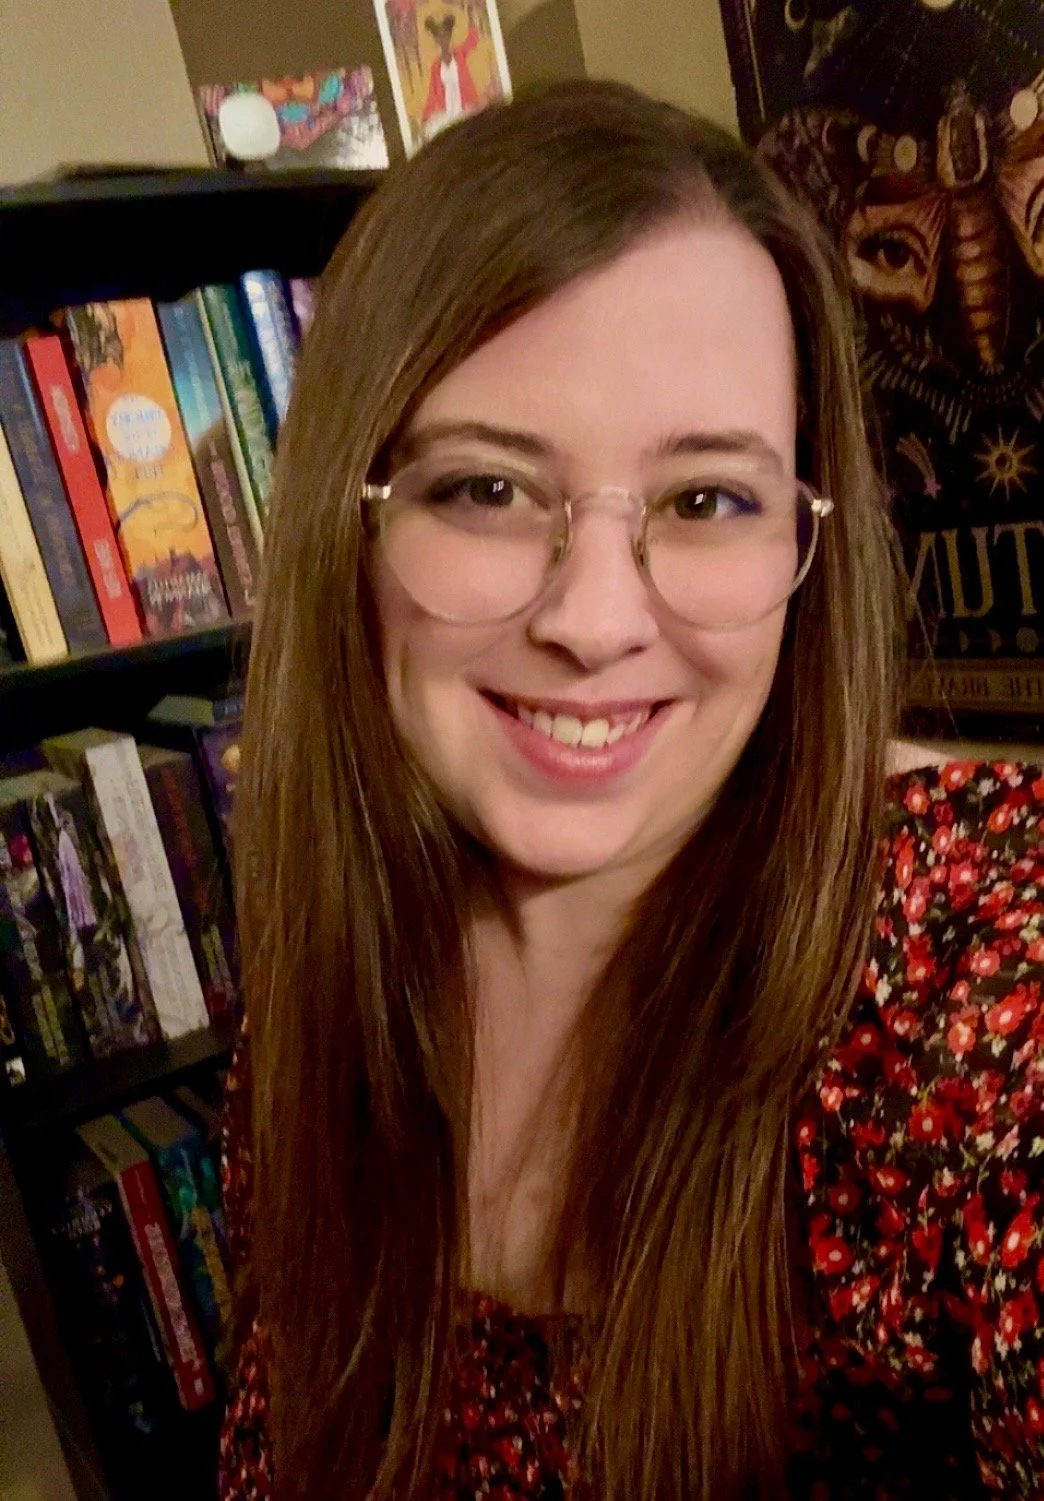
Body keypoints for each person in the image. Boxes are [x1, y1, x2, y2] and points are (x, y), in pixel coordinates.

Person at [219, 80, 1044, 1499]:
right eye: (487, 490)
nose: (594, 622)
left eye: (707, 499)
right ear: (349, 524)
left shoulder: (957, 966)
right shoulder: (317, 1007)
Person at [422, 12, 480, 139]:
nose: (443, 40)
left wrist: (472, 19)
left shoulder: (459, 54)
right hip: (448, 111)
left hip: (465, 108)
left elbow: (472, 40)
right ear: (436, 40)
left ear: (449, 36)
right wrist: (426, 115)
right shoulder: (436, 66)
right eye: (439, 37)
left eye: (445, 36)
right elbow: (432, 93)